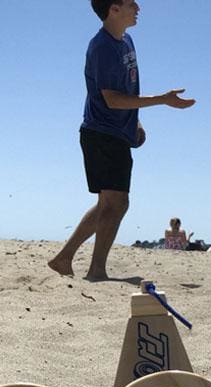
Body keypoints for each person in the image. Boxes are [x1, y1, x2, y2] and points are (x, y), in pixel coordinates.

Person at [48, 0, 195, 280]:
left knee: (109, 204)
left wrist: (135, 120)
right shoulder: (102, 46)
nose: (138, 6)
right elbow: (111, 99)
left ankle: (64, 258)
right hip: (101, 133)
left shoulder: (126, 40)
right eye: (130, 3)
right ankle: (96, 270)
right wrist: (162, 100)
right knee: (117, 203)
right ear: (114, 9)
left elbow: (125, 90)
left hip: (115, 133)